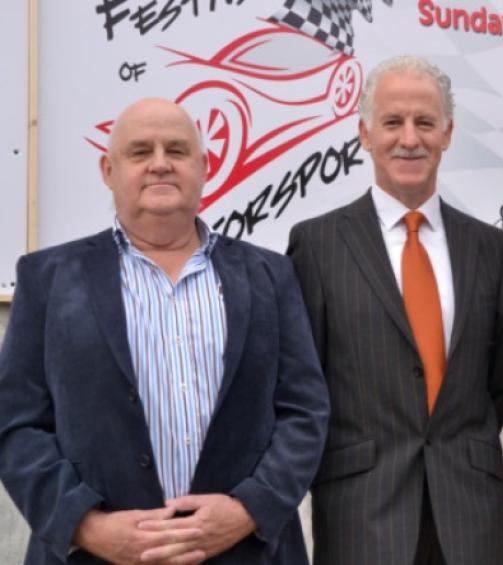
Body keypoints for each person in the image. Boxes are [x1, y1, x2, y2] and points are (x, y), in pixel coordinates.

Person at [0, 98, 329, 565]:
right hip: (93, 557)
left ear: (204, 165)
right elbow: (16, 423)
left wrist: (247, 510)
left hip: (249, 552)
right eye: (140, 152)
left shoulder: (270, 275)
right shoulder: (47, 279)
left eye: (176, 150)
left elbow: (304, 410)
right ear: (108, 169)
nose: (160, 164)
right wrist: (87, 526)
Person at [287, 55, 503, 565]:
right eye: (392, 122)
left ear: (448, 134)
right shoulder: (318, 245)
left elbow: (496, 385)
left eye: (425, 123)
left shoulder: (493, 251)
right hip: (361, 512)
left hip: (469, 513)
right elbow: (305, 382)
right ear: (365, 134)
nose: (409, 138)